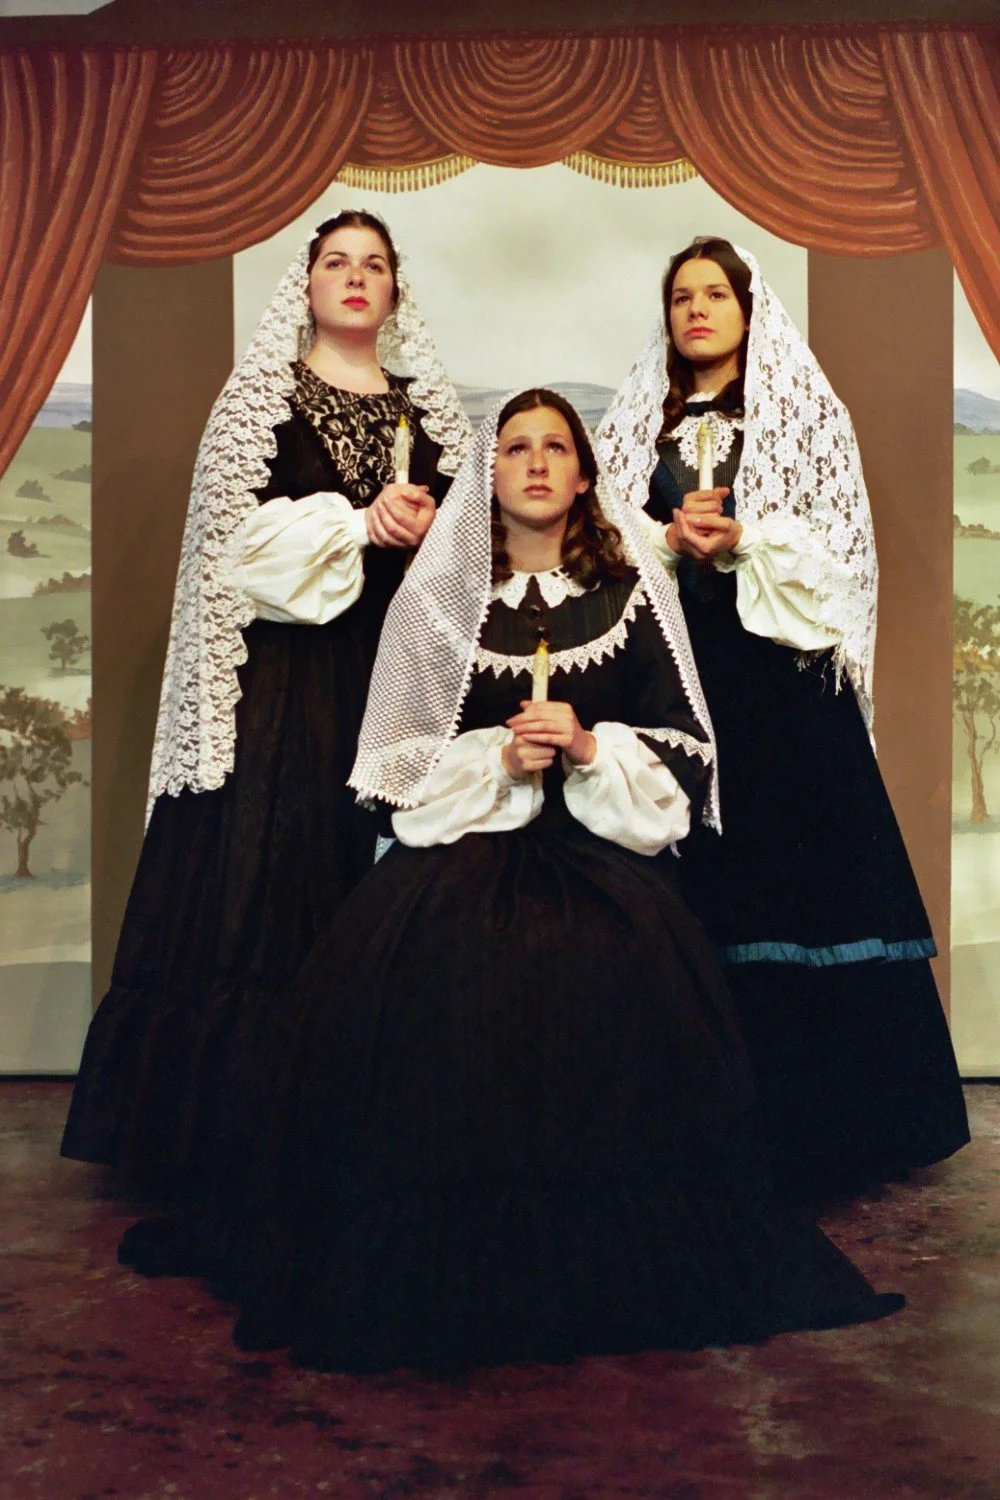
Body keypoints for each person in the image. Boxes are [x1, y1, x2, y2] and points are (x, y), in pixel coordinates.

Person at [141, 389, 903, 1374]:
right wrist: (492, 764)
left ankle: (603, 1261)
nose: (536, 463)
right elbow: (390, 762)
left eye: (555, 448)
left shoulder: (632, 595)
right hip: (463, 852)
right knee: (450, 974)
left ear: (584, 477)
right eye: (514, 448)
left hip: (599, 857)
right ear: (487, 474)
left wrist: (589, 747)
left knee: (609, 967)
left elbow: (687, 748)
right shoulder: (437, 601)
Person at [61, 210, 472, 1200]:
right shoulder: (262, 401)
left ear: (396, 290)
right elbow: (230, 555)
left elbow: (475, 556)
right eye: (337, 262)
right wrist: (356, 524)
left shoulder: (432, 415)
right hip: (290, 684)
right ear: (308, 285)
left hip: (394, 675)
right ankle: (248, 1143)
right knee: (281, 876)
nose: (356, 277)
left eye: (375, 264)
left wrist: (432, 533)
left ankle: (372, 1138)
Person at [597, 237, 969, 1196]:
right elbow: (604, 542)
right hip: (684, 680)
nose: (696, 309)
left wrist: (746, 538)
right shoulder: (638, 424)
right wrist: (664, 539)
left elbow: (839, 550)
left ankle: (831, 1128)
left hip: (782, 685)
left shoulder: (801, 415)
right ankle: (697, 1124)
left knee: (799, 879)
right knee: (700, 876)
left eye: (715, 294)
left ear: (749, 308)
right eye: (682, 296)